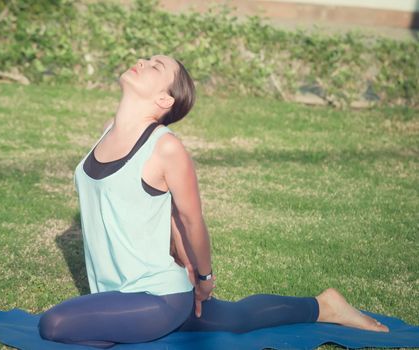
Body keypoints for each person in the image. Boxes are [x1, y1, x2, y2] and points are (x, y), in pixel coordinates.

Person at [37, 55, 389, 348]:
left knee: (55, 325)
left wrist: (203, 277)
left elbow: (191, 219)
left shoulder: (166, 148)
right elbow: (160, 212)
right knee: (237, 318)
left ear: (165, 100)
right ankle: (324, 305)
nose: (142, 62)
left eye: (155, 66)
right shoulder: (107, 129)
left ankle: (322, 307)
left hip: (157, 296)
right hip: (118, 293)